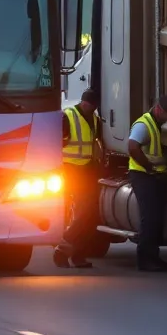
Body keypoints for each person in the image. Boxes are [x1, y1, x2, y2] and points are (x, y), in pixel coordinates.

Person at [127, 94, 167, 272]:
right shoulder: (144, 124)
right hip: (143, 175)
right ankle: (145, 259)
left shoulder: (156, 124)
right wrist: (148, 167)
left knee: (156, 219)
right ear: (158, 109)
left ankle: (153, 257)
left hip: (153, 177)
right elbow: (133, 147)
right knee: (150, 218)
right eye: (166, 113)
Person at [54, 89, 100, 269]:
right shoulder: (68, 116)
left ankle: (78, 254)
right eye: (90, 106)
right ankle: (63, 248)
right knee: (83, 212)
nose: (92, 109)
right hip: (71, 169)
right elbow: (56, 142)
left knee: (88, 214)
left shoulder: (94, 119)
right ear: (83, 103)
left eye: (95, 107)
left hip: (87, 170)